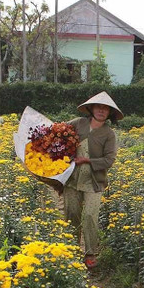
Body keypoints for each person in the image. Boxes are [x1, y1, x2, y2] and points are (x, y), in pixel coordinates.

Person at [49, 91, 121, 268]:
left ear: (109, 113)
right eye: (98, 107)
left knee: (90, 215)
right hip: (72, 179)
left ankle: (90, 253)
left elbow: (109, 160)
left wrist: (87, 160)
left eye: (105, 109)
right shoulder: (78, 123)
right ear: (91, 108)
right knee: (71, 214)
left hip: (94, 181)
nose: (101, 111)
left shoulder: (108, 134)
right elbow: (58, 132)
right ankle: (72, 251)